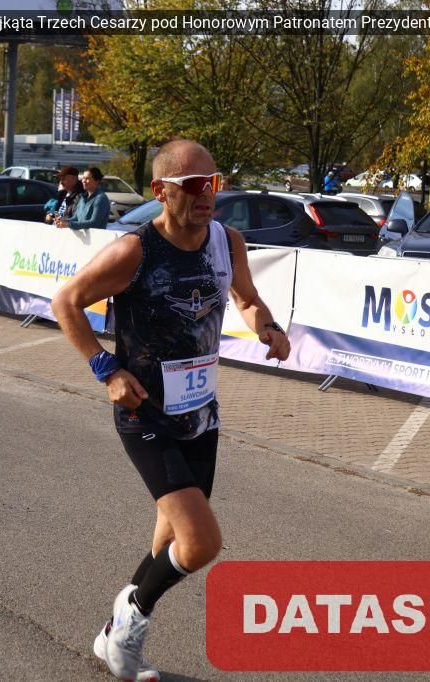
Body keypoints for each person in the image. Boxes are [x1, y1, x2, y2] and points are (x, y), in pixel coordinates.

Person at [51, 140, 291, 680]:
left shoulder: (227, 241)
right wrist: (107, 370)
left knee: (169, 539)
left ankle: (117, 635)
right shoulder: (135, 251)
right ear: (161, 191)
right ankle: (128, 620)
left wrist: (269, 328)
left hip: (200, 415)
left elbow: (247, 299)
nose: (206, 195)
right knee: (201, 542)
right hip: (146, 415)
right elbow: (66, 301)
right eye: (192, 185)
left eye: (214, 183)